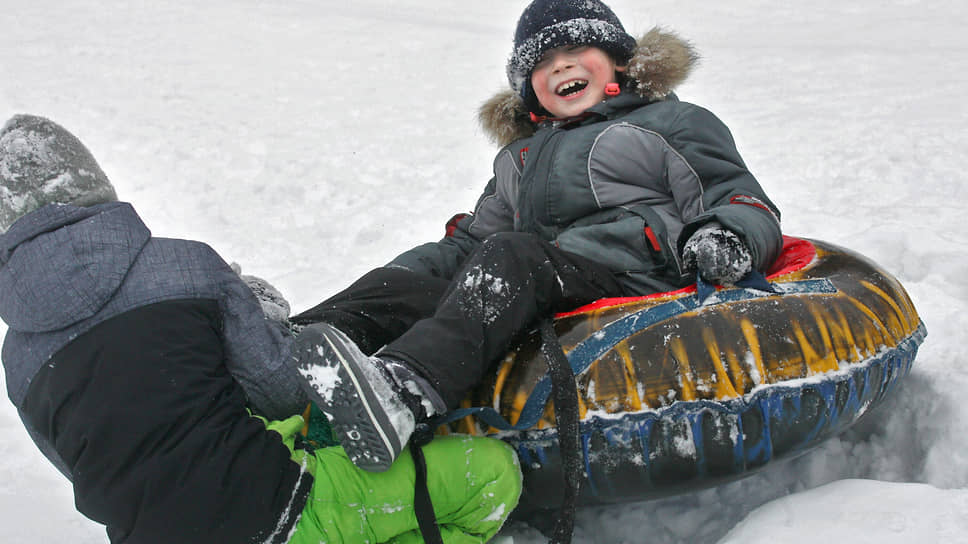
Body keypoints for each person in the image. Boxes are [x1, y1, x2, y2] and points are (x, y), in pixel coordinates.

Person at [291, 0, 783, 475]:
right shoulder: (521, 155)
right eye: (542, 62)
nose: (561, 66)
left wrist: (726, 234)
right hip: (536, 280)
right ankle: (281, 354)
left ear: (618, 59)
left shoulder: (668, 122)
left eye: (576, 50)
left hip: (632, 277)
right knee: (405, 282)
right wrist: (408, 271)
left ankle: (403, 394)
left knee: (512, 257)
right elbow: (469, 244)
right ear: (529, 88)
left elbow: (736, 194)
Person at [0, 114, 521, 543]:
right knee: (494, 474)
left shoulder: (16, 360)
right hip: (284, 512)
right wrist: (262, 313)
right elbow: (282, 395)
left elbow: (90, 472)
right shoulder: (183, 266)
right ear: (92, 181)